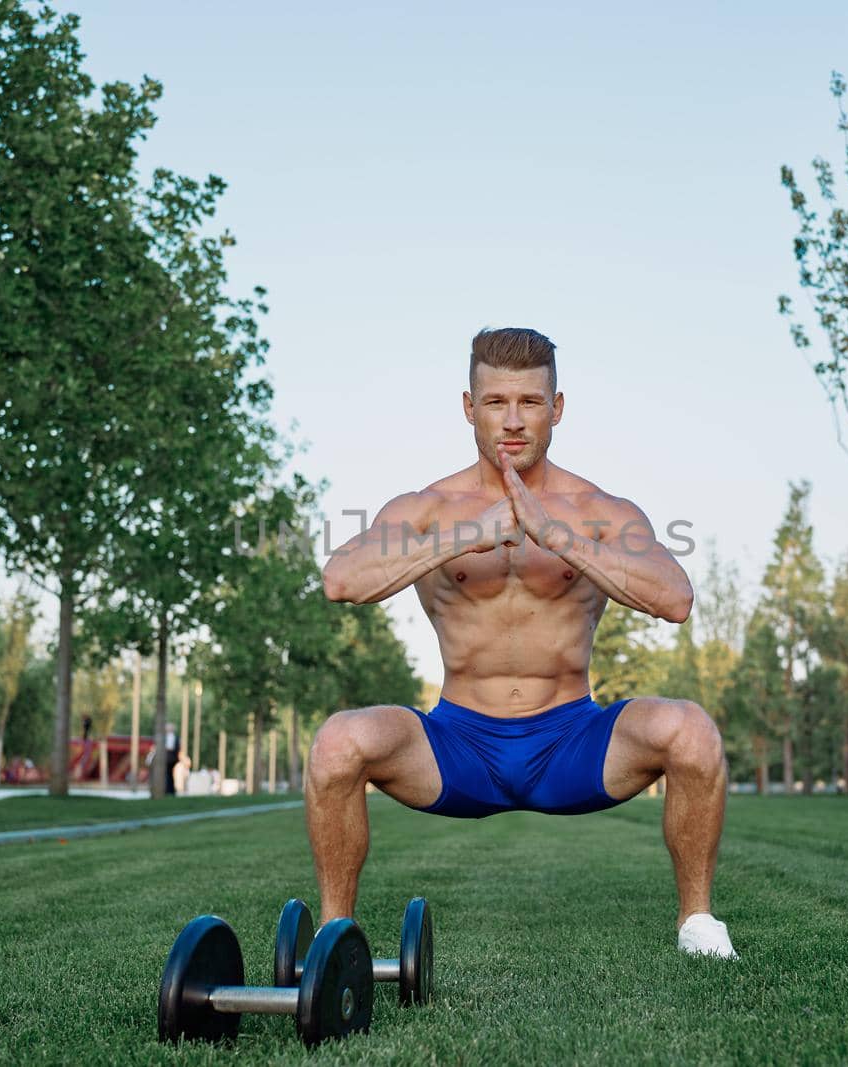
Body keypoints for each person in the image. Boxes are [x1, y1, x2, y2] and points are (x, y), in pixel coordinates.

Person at [309, 327, 737, 960]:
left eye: (531, 402)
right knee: (337, 742)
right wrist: (466, 537)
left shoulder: (598, 509)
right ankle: (333, 937)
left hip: (571, 740)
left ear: (556, 408)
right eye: (495, 402)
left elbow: (674, 599)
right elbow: (342, 579)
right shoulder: (427, 507)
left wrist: (559, 537)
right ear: (468, 407)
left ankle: (698, 925)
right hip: (458, 744)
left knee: (692, 731)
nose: (512, 421)